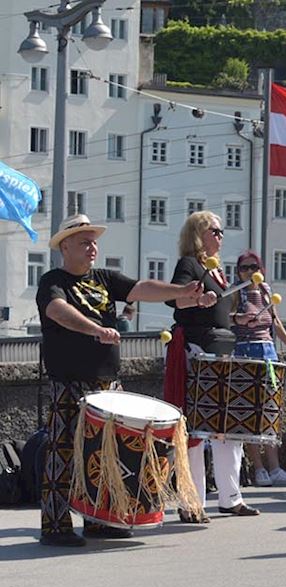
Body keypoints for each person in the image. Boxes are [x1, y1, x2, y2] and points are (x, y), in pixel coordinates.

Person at [35, 214, 213, 547]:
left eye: (94, 241)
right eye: (85, 241)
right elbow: (58, 311)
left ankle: (99, 520)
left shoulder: (104, 278)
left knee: (106, 455)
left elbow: (141, 288)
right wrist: (96, 328)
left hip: (107, 384)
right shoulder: (52, 281)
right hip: (69, 383)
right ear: (65, 246)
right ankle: (55, 525)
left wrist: (184, 292)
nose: (92, 247)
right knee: (62, 452)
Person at [165, 211, 259, 521]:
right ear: (198, 233)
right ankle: (193, 502)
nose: (220, 236)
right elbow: (178, 302)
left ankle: (231, 497)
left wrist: (235, 319)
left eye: (221, 231)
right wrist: (196, 299)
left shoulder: (215, 271)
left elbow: (212, 311)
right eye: (214, 231)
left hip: (221, 351)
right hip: (196, 351)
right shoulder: (189, 265)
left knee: (226, 427)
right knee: (196, 429)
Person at [230, 249, 286, 487]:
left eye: (254, 267)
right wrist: (240, 319)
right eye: (245, 268)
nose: (250, 272)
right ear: (238, 271)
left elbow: (275, 322)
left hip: (268, 352)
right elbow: (226, 317)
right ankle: (259, 468)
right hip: (245, 351)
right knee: (250, 412)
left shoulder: (266, 291)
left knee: (270, 411)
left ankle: (275, 468)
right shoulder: (235, 292)